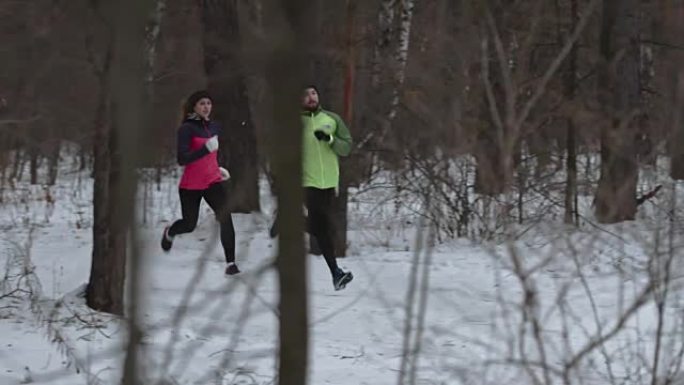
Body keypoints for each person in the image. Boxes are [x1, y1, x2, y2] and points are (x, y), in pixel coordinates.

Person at [275, 85, 354, 290]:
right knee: (322, 228)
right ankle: (336, 273)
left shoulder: (332, 119)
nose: (310, 98)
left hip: (328, 182)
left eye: (313, 93)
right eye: (305, 95)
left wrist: (329, 139)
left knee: (320, 229)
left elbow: (346, 147)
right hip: (305, 182)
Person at [160, 90, 239, 275]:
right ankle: (170, 231)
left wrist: (217, 168)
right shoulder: (186, 129)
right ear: (194, 107)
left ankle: (231, 263)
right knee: (189, 224)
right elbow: (183, 158)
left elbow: (212, 154)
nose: (206, 107)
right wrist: (205, 149)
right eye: (202, 103)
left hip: (212, 181)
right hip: (191, 186)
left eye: (209, 104)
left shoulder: (214, 127)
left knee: (225, 218)